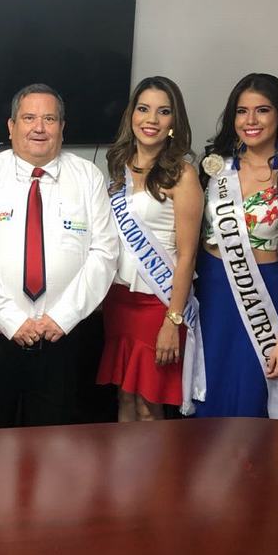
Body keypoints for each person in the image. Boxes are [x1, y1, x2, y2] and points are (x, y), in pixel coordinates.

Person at [0, 83, 118, 428]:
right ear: (11, 126)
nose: (39, 127)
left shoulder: (88, 177)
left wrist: (62, 316)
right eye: (29, 118)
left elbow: (104, 253)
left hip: (64, 339)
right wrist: (12, 320)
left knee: (55, 442)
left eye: (49, 119)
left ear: (62, 127)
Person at [195, 73, 278, 419]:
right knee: (207, 387)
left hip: (263, 294)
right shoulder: (214, 171)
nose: (250, 121)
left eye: (262, 110)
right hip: (211, 292)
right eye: (241, 111)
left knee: (252, 395)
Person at [97, 76, 205, 420]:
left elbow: (188, 254)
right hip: (119, 301)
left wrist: (173, 321)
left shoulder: (183, 175)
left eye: (163, 112)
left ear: (174, 121)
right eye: (143, 109)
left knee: (149, 404)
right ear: (132, 115)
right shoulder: (119, 168)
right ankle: (122, 474)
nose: (151, 120)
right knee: (124, 398)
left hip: (158, 305)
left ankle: (156, 475)